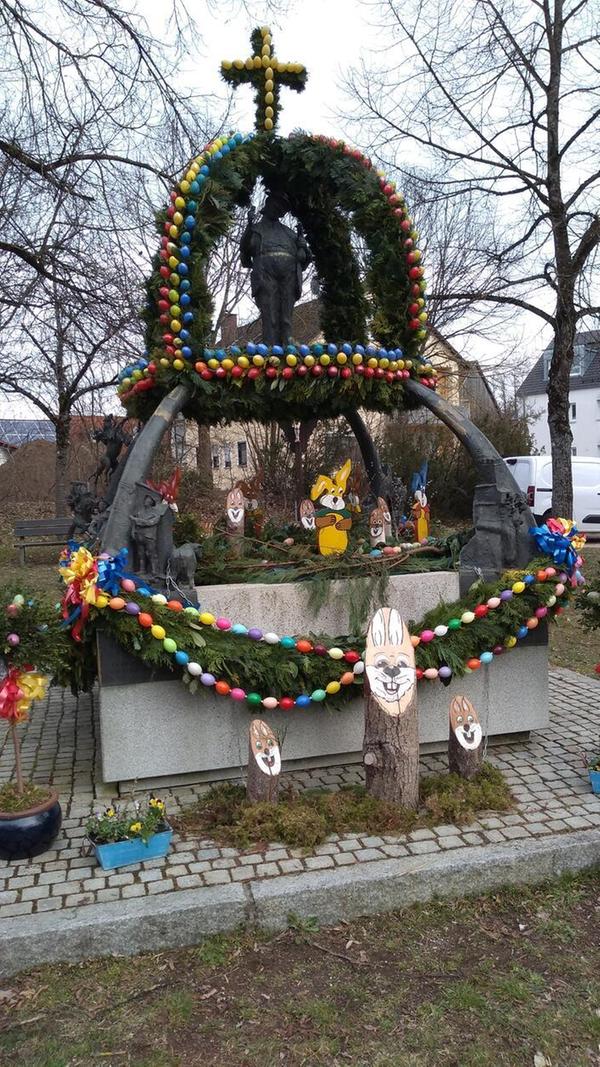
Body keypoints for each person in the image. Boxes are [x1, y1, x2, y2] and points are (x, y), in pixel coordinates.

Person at [240, 191, 312, 345]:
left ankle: (287, 344)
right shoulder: (256, 229)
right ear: (268, 205)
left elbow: (305, 257)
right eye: (277, 206)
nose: (279, 210)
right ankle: (271, 348)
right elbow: (246, 253)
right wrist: (249, 227)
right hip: (266, 273)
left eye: (282, 209)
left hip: (289, 274)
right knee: (270, 315)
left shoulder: (290, 233)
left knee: (286, 315)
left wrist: (303, 246)